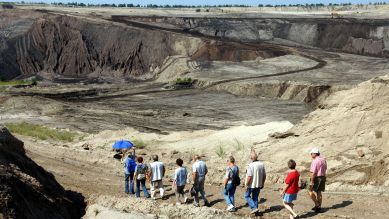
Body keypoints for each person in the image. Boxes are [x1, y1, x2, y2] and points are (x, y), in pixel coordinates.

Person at [308, 148, 327, 213]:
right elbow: (326, 168)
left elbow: (313, 172)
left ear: (315, 154)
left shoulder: (315, 160)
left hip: (317, 178)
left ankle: (317, 204)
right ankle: (318, 207)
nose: (311, 154)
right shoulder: (323, 159)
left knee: (309, 191)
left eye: (311, 153)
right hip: (323, 177)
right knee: (319, 192)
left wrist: (312, 181)